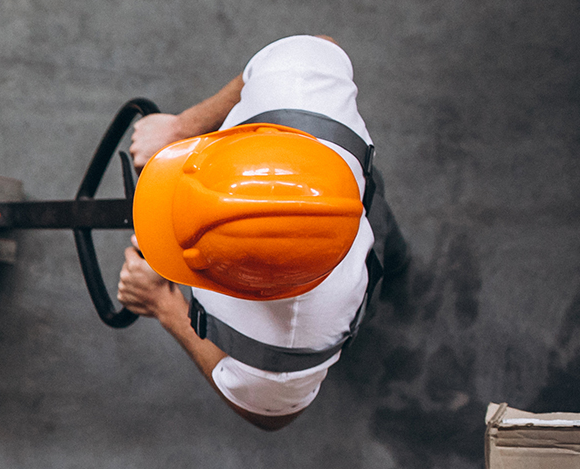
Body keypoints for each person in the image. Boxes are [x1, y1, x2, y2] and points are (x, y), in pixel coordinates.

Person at [116, 35, 404, 430]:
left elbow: (271, 416)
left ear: (252, 288)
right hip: (361, 202)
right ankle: (401, 263)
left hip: (339, 303)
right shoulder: (298, 84)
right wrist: (183, 127)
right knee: (389, 241)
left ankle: (400, 266)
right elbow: (315, 45)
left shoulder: (288, 341)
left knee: (389, 254)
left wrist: (165, 307)